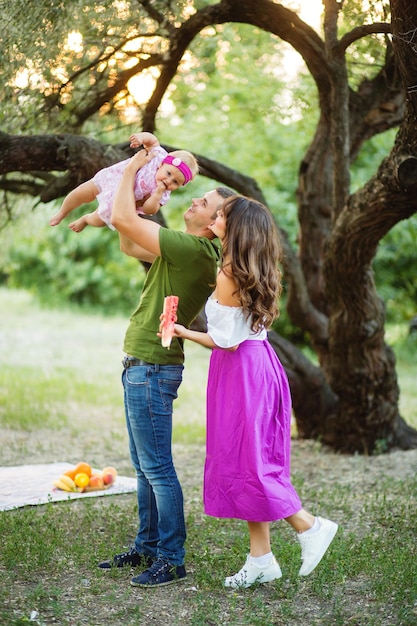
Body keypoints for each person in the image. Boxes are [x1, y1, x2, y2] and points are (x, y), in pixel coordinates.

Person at [172, 195, 338, 589]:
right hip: (252, 367)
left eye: (222, 214)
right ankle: (261, 558)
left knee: (251, 461)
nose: (215, 216)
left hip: (242, 372)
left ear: (237, 228)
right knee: (246, 461)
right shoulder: (245, 268)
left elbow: (225, 341)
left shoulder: (229, 274)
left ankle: (309, 526)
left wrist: (181, 331)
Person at [97, 147, 234, 588]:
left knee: (157, 467)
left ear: (216, 224)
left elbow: (119, 220)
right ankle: (146, 547)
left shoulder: (195, 250)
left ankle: (171, 558)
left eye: (205, 203)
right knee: (144, 464)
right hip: (143, 364)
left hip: (152, 368)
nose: (194, 201)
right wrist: (143, 195)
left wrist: (137, 169)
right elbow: (126, 239)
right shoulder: (181, 250)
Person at [49, 132, 199, 232]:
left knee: (99, 220)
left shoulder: (163, 194)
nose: (168, 181)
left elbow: (149, 210)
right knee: (81, 193)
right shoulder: (157, 156)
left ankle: (86, 219)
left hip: (120, 201)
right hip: (113, 178)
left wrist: (157, 195)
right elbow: (152, 140)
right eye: (168, 174)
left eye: (175, 183)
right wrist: (141, 138)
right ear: (163, 164)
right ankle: (62, 212)